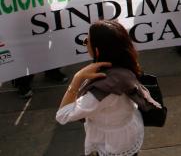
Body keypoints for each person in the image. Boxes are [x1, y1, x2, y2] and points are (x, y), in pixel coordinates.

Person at [55, 20, 156, 156]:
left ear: (97, 50)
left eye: (87, 41)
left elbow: (62, 115)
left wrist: (77, 79)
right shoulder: (125, 65)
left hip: (113, 144)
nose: (86, 45)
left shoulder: (101, 91)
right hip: (129, 129)